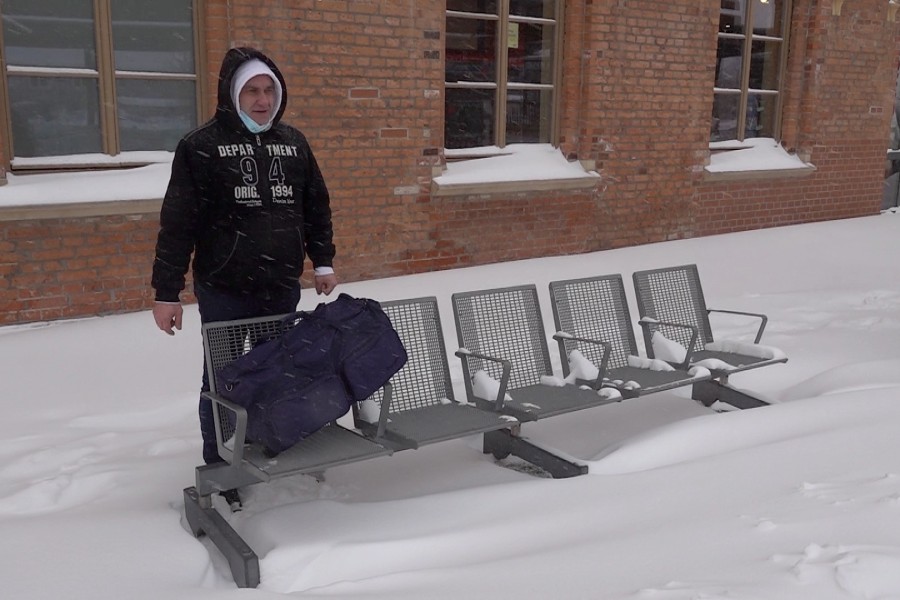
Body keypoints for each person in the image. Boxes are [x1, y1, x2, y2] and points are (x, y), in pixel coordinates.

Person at [151, 47, 337, 493]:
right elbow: (178, 223)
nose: (262, 99)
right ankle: (222, 467)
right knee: (224, 379)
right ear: (233, 94)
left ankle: (274, 446)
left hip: (279, 286)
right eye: (252, 90)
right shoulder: (200, 147)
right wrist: (166, 291)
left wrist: (323, 260)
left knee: (278, 373)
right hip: (226, 288)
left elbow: (316, 207)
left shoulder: (293, 143)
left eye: (269, 90)